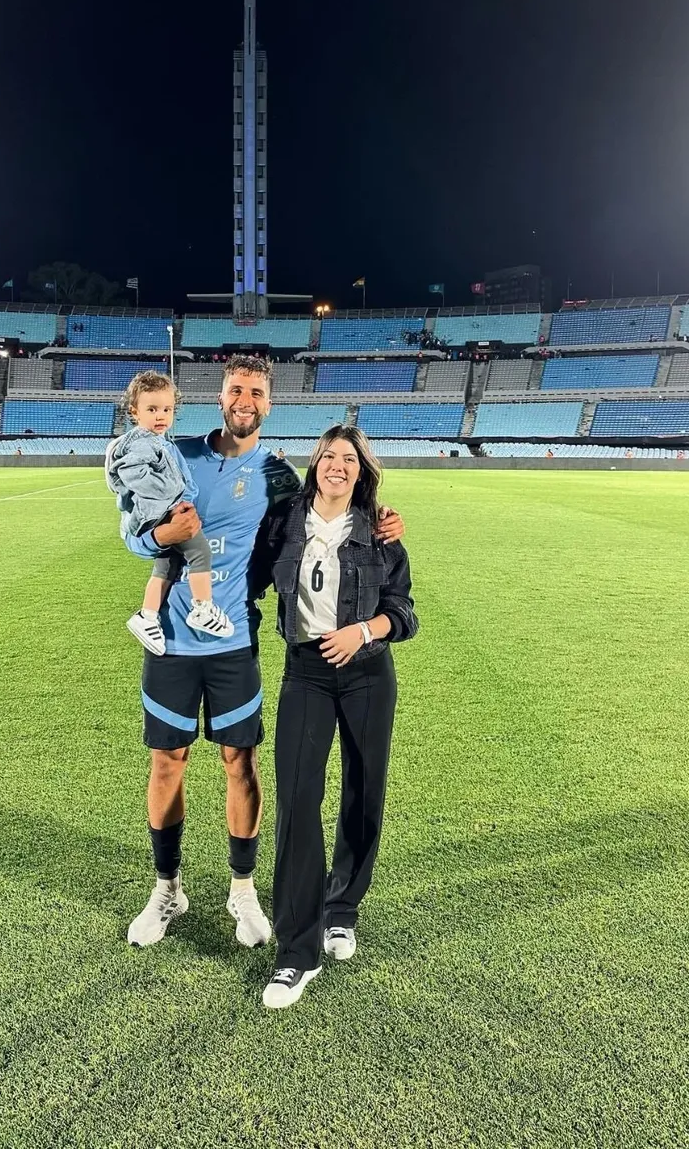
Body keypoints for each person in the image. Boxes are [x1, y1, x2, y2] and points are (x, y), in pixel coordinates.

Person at [120, 356, 404, 950]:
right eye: (235, 389)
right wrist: (156, 537)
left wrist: (379, 520)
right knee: (167, 761)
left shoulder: (276, 475)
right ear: (219, 397)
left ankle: (242, 890)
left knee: (238, 763)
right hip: (171, 640)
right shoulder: (177, 453)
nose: (244, 399)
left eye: (255, 391)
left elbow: (320, 511)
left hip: (235, 641)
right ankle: (167, 886)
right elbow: (131, 525)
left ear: (268, 404)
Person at [261, 426, 418, 1009]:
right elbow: (248, 580)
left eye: (349, 459)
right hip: (304, 671)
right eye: (329, 455)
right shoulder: (282, 522)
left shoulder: (380, 533)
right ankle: (295, 954)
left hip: (368, 674)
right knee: (298, 799)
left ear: (362, 471)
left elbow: (404, 612)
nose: (338, 465)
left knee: (363, 792)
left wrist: (364, 630)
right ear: (315, 464)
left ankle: (341, 908)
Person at [106, 371, 235, 654]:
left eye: (167, 409)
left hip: (161, 511)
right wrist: (171, 498)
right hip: (160, 513)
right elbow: (134, 473)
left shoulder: (159, 442)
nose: (161, 416)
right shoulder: (143, 441)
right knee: (200, 551)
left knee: (166, 566)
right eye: (152, 409)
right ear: (134, 411)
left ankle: (147, 615)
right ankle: (202, 608)